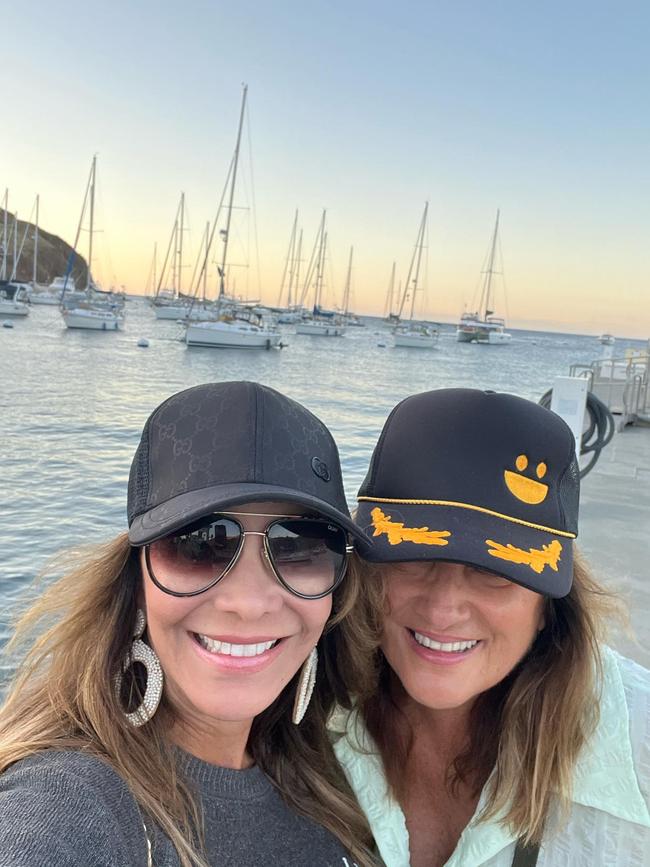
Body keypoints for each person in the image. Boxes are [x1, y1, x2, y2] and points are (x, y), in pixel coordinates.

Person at [0, 380, 377, 867]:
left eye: (298, 544)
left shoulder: (318, 771)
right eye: (200, 542)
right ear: (135, 579)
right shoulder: (68, 801)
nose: (248, 602)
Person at [332, 387, 650, 867]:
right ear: (366, 570)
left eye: (495, 571)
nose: (443, 609)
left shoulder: (638, 741)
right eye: (412, 555)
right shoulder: (296, 704)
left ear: (549, 607)